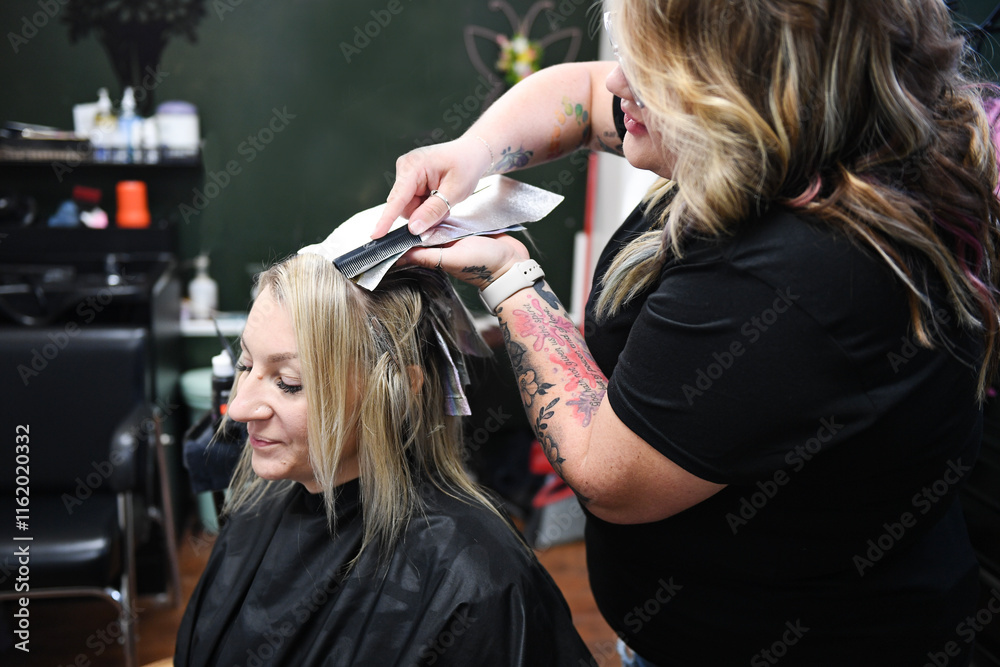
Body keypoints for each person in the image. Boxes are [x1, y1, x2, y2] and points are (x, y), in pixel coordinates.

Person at [376, 1, 1000, 664]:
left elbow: (606, 469)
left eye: (651, 71)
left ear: (746, 94)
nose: (619, 83)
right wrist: (471, 155)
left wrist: (511, 280)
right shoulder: (841, 133)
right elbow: (588, 96)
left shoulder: (793, 279)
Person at [173, 252, 594, 666]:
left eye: (288, 383)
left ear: (394, 390)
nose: (241, 407)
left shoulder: (476, 582)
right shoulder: (258, 506)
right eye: (245, 365)